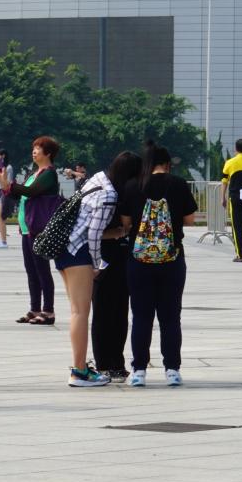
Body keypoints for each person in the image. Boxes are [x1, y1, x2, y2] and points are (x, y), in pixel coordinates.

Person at [119, 142, 197, 387]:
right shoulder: (179, 184)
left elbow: (126, 222)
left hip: (139, 261)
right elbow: (190, 219)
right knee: (171, 317)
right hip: (172, 259)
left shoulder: (133, 185)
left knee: (141, 316)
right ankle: (172, 369)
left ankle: (139, 371)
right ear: (167, 164)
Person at [52, 153, 128, 388]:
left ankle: (81, 368)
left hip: (65, 250)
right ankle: (79, 372)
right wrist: (97, 264)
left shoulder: (97, 179)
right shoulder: (109, 195)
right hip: (79, 253)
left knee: (77, 311)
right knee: (80, 313)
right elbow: (94, 234)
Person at [0, 137, 61, 325]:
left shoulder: (49, 174)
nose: (34, 151)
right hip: (27, 228)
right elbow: (20, 194)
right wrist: (4, 183)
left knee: (42, 270)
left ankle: (48, 311)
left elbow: (31, 191)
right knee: (31, 271)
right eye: (34, 148)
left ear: (48, 153)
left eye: (38, 148)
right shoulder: (34, 173)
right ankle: (35, 308)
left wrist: (9, 184)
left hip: (39, 228)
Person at [90, 152, 143, 382]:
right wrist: (119, 232)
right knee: (105, 313)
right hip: (104, 259)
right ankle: (105, 364)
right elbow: (93, 231)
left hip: (119, 259)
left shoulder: (119, 191)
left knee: (118, 312)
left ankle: (115, 363)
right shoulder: (108, 194)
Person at [0, 149, 14, 248]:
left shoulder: (8, 167)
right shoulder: (0, 167)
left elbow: (7, 183)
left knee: (1, 217)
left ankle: (4, 242)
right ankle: (2, 240)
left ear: (3, 156)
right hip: (0, 191)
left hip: (6, 193)